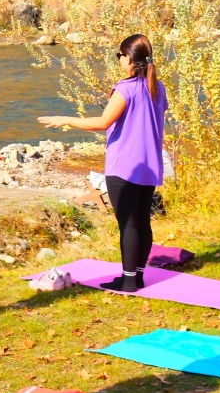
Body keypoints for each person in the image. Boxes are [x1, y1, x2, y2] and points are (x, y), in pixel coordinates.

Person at [39, 34, 168, 292]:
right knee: (142, 221)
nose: (119, 60)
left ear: (129, 59)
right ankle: (137, 276)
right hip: (150, 164)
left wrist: (65, 119)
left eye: (119, 56)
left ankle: (129, 280)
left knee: (128, 224)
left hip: (125, 166)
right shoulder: (158, 86)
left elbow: (102, 122)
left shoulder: (126, 88)